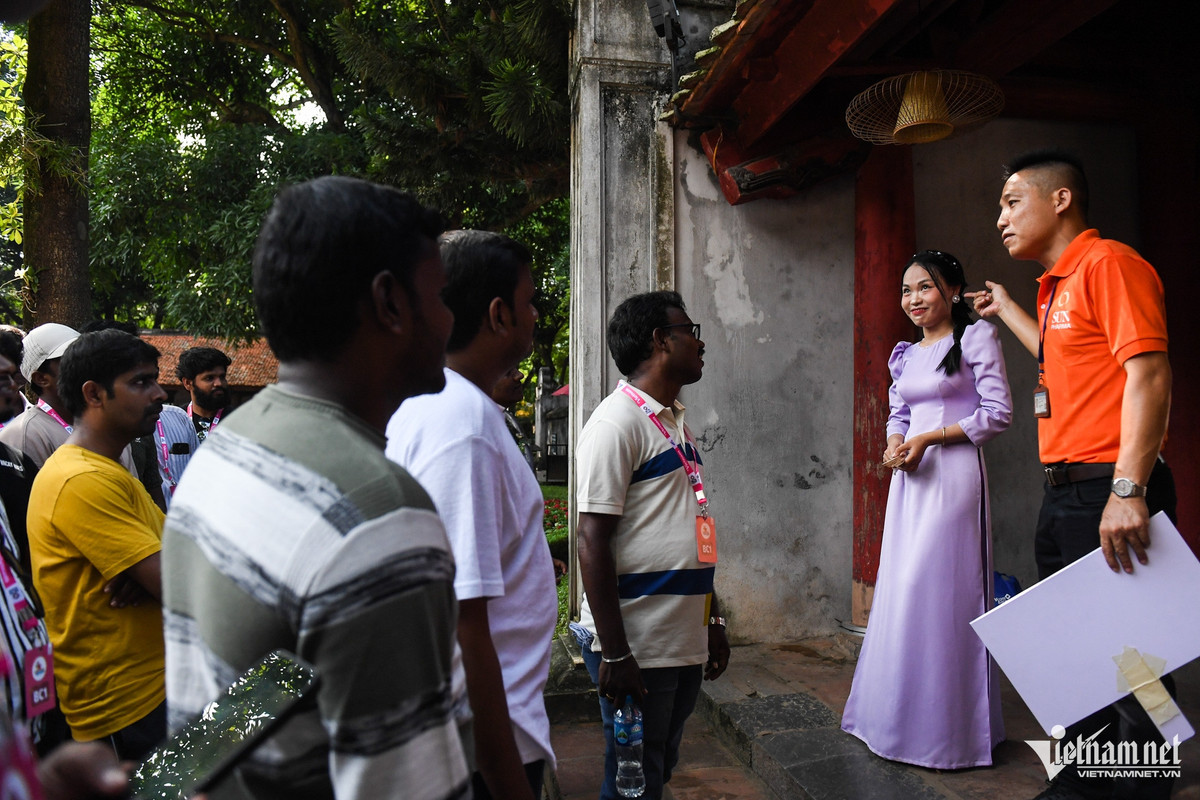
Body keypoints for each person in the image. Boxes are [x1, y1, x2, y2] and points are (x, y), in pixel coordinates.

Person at [162, 175, 471, 799]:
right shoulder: (377, 516)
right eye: (441, 295)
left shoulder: (231, 450)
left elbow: (230, 720)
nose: (451, 319)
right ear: (389, 303)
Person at [971, 150, 1175, 800]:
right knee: (1082, 645)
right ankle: (1092, 774)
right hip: (1065, 489)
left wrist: (1128, 488)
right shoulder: (1056, 284)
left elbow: (1149, 374)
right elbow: (1059, 366)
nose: (1000, 217)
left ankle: (1141, 781)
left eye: (1011, 201)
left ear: (1060, 200)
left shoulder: (1109, 263)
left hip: (1108, 487)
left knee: (1139, 648)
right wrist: (1005, 309)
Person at [387, 229, 555, 800]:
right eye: (530, 301)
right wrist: (510, 784)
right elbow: (459, 621)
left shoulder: (451, 407)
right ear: (499, 313)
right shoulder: (460, 423)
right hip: (480, 746)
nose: (535, 314)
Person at [841, 250, 1012, 768]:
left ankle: (949, 732)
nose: (913, 299)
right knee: (902, 589)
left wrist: (932, 438)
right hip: (910, 481)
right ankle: (892, 721)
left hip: (955, 480)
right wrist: (895, 443)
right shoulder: (907, 354)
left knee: (940, 591)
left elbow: (998, 413)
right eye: (906, 290)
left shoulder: (975, 337)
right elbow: (898, 411)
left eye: (926, 288)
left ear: (954, 291)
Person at [572, 290, 730, 800]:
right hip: (639, 645)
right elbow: (591, 538)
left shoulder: (672, 422)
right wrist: (615, 653)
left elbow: (689, 532)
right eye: (691, 331)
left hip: (680, 638)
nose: (700, 344)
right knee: (631, 781)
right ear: (662, 340)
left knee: (656, 768)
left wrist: (714, 620)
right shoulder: (615, 424)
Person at [26, 329, 169, 760]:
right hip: (129, 706)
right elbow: (187, 589)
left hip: (154, 689)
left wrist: (154, 571)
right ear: (94, 394)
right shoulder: (82, 479)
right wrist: (161, 574)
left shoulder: (105, 468)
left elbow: (175, 566)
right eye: (141, 382)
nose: (161, 393)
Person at [0, 324, 138, 476]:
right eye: (70, 361)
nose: (86, 366)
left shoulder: (108, 423)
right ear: (41, 379)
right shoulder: (27, 434)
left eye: (85, 356)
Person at [175, 346, 231, 441]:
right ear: (188, 383)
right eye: (209, 378)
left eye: (222, 377)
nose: (219, 383)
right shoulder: (175, 421)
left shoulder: (239, 420)